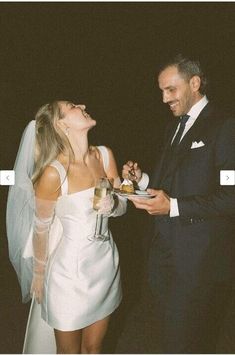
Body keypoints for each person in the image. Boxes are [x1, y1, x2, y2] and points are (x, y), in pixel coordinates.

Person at [122, 54, 235, 353]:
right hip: (163, 252)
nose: (164, 98)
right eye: (161, 91)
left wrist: (173, 207)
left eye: (170, 89)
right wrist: (142, 179)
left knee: (182, 341)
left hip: (197, 260)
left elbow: (231, 197)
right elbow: (169, 184)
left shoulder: (225, 126)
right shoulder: (173, 127)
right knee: (172, 335)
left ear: (195, 83)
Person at [6, 101, 127, 354]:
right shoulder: (54, 173)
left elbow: (123, 203)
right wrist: (39, 274)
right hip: (68, 276)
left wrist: (114, 205)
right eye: (72, 106)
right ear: (62, 124)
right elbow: (42, 228)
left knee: (94, 349)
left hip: (105, 265)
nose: (82, 105)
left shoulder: (104, 154)